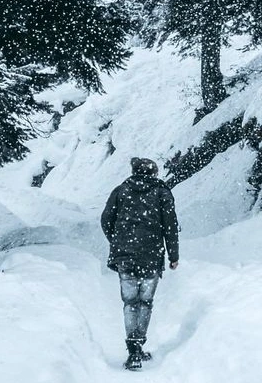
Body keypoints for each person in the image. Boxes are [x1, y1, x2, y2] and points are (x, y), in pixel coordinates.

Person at [100, 157, 179, 370]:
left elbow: (106, 219)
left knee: (130, 303)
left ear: (134, 171)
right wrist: (173, 256)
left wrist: (118, 241)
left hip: (125, 255)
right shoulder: (162, 193)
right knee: (145, 302)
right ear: (154, 173)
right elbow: (170, 226)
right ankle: (138, 345)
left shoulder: (121, 191)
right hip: (151, 255)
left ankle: (133, 350)